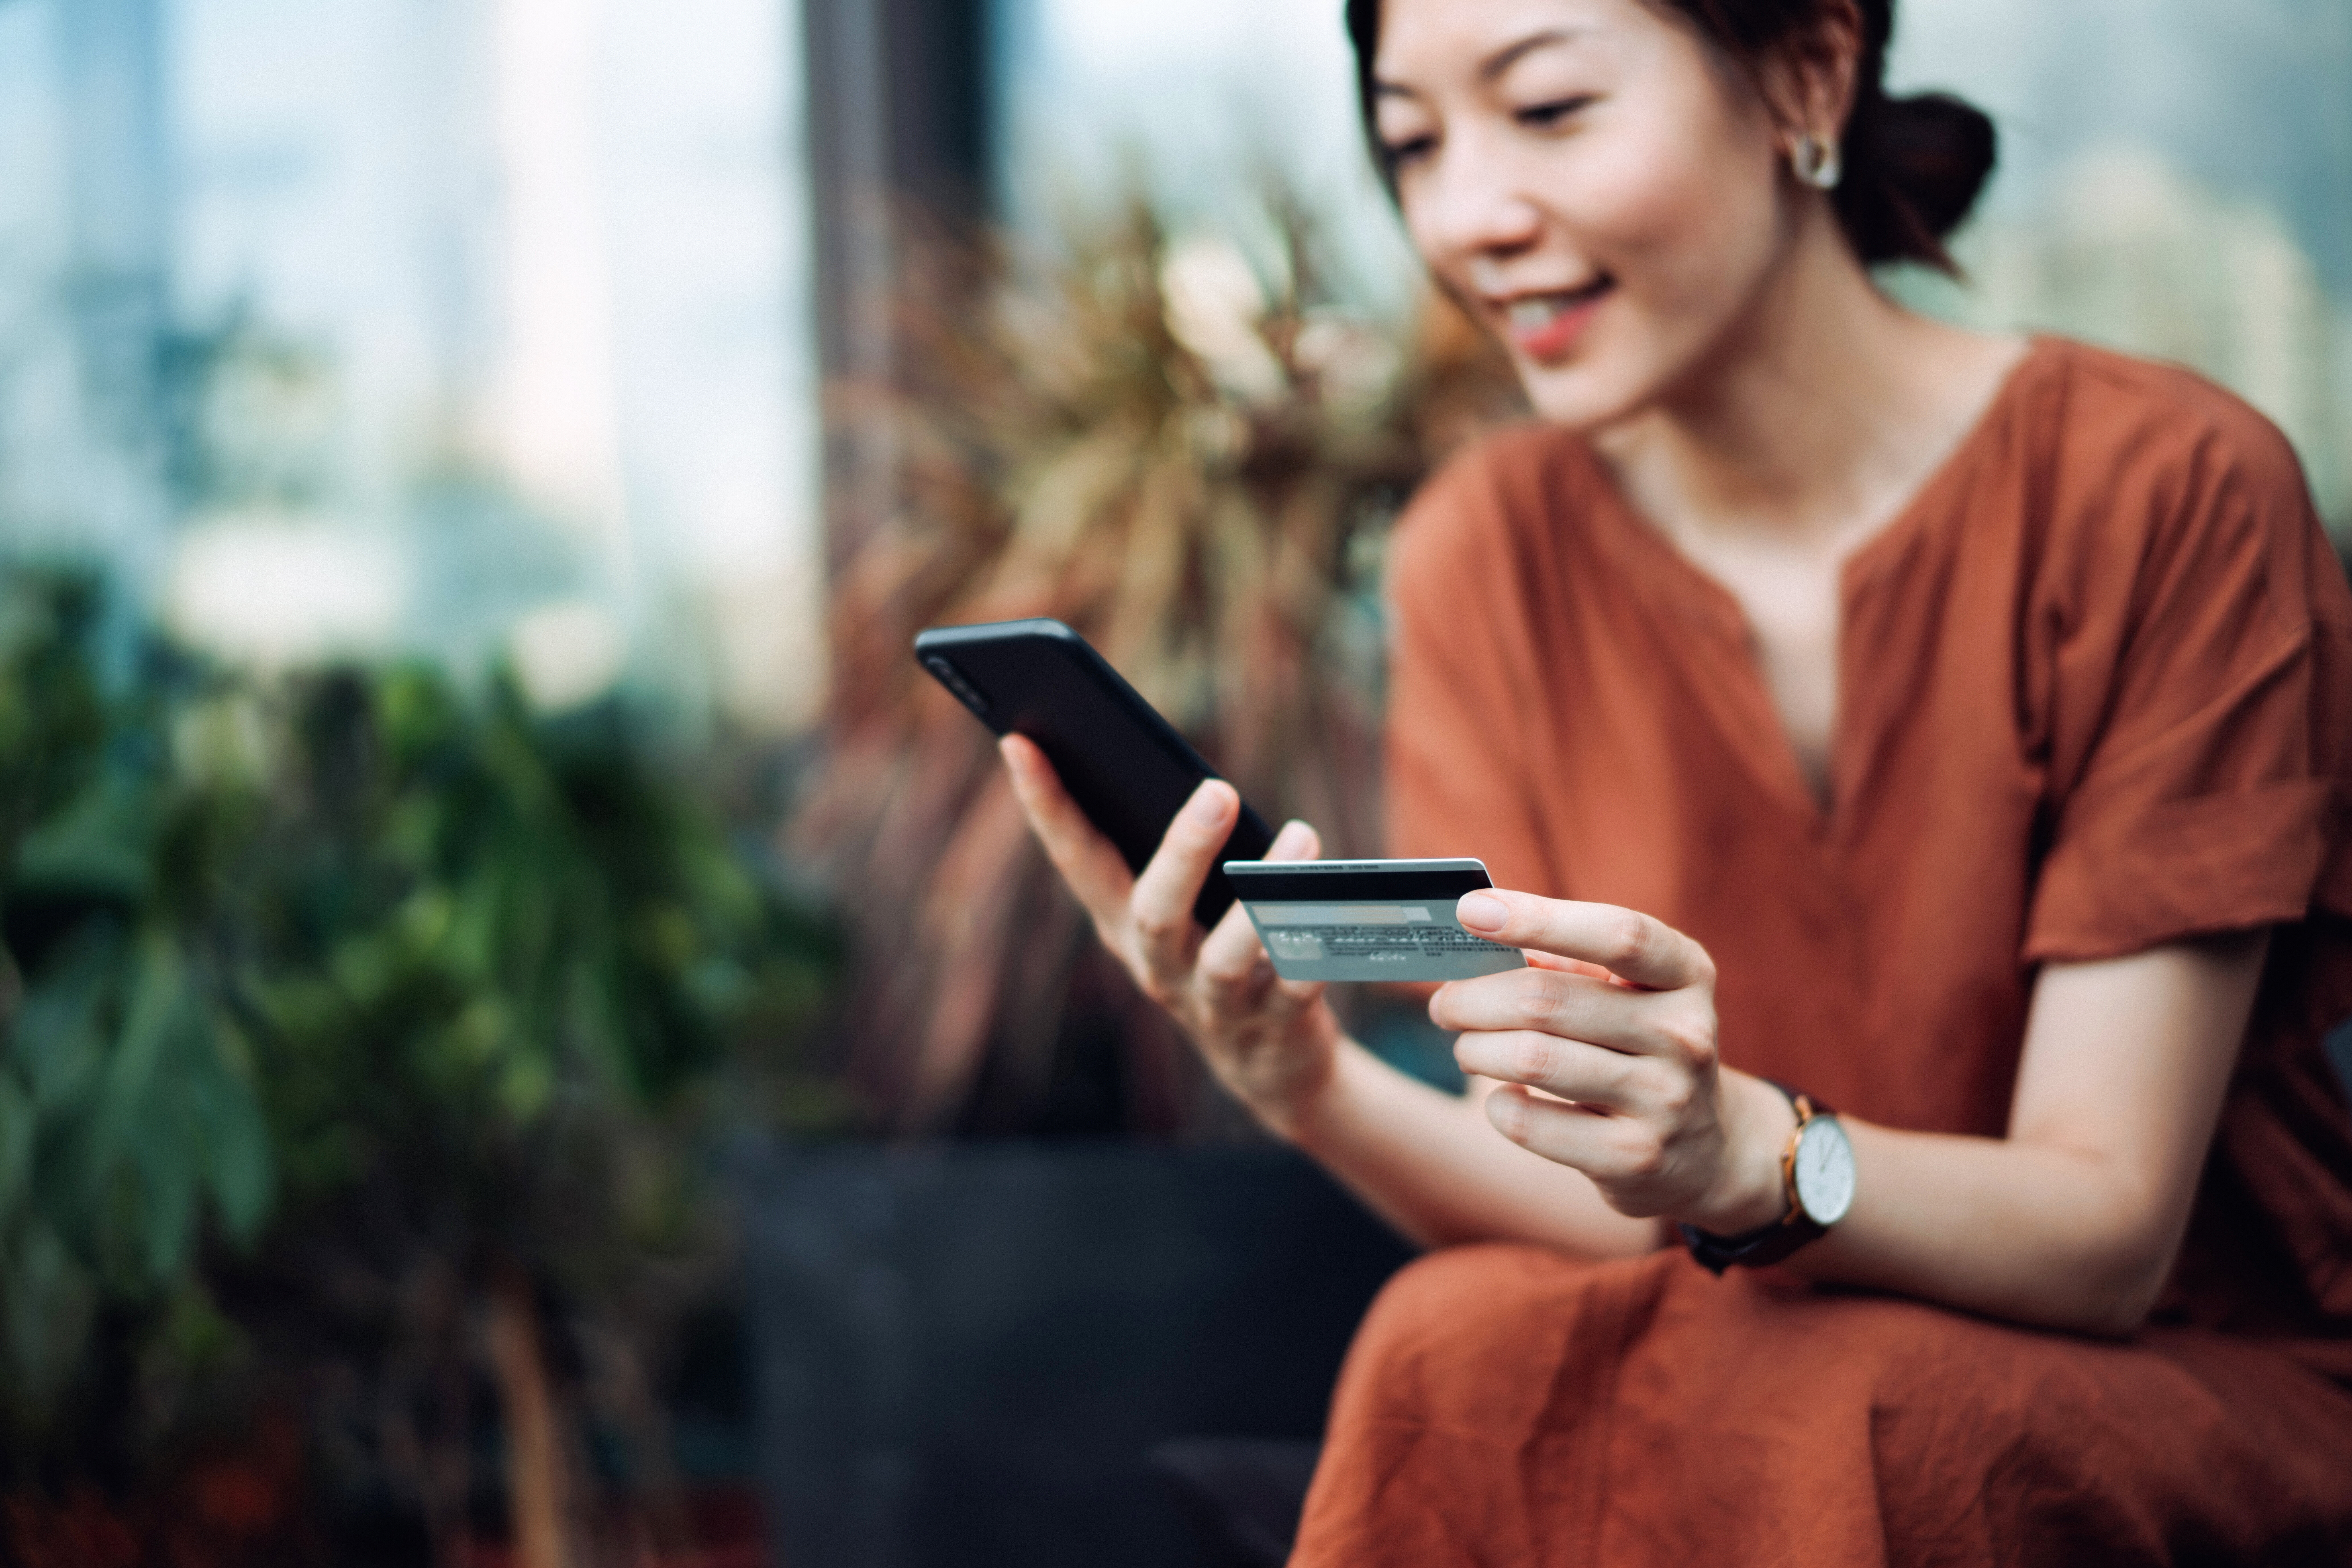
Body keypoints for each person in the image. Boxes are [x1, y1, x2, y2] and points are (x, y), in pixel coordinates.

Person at [997, 0, 2352, 1559]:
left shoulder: (2165, 490)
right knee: (1453, 1343)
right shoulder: (1479, 559)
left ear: (1810, 73)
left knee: (1864, 1415)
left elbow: (2109, 1232)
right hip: (1757, 1345)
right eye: (1414, 143)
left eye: (1550, 109)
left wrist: (1741, 1153)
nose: (1469, 217)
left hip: (2178, 1366)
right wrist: (1302, 1085)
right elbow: (1617, 1203)